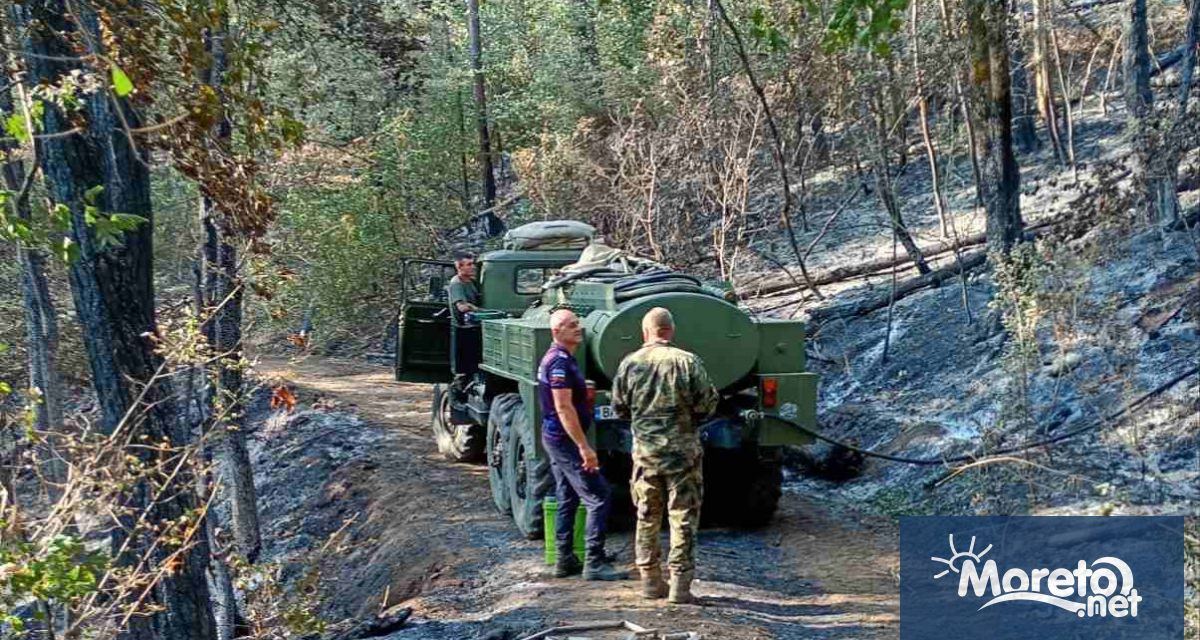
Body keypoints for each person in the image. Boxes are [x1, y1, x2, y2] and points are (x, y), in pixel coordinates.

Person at [611, 307, 718, 604]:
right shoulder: (688, 361)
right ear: (670, 331)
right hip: (683, 454)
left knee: (647, 515)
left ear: (645, 332)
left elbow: (619, 407)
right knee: (682, 516)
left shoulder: (630, 363)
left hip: (646, 455)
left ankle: (649, 582)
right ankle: (680, 587)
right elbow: (707, 404)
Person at [537, 308, 626, 581]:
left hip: (556, 437)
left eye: (578, 323)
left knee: (568, 496)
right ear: (556, 331)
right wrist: (584, 447)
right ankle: (594, 562)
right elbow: (563, 408)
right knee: (598, 496)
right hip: (563, 439)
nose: (578, 328)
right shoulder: (559, 362)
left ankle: (564, 559)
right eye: (571, 325)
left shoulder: (563, 358)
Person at [447, 253, 482, 378]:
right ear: (459, 267)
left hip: (474, 327)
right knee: (466, 369)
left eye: (473, 264)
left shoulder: (470, 282)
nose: (473, 267)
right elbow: (462, 307)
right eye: (469, 264)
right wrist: (475, 308)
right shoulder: (457, 283)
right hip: (464, 329)